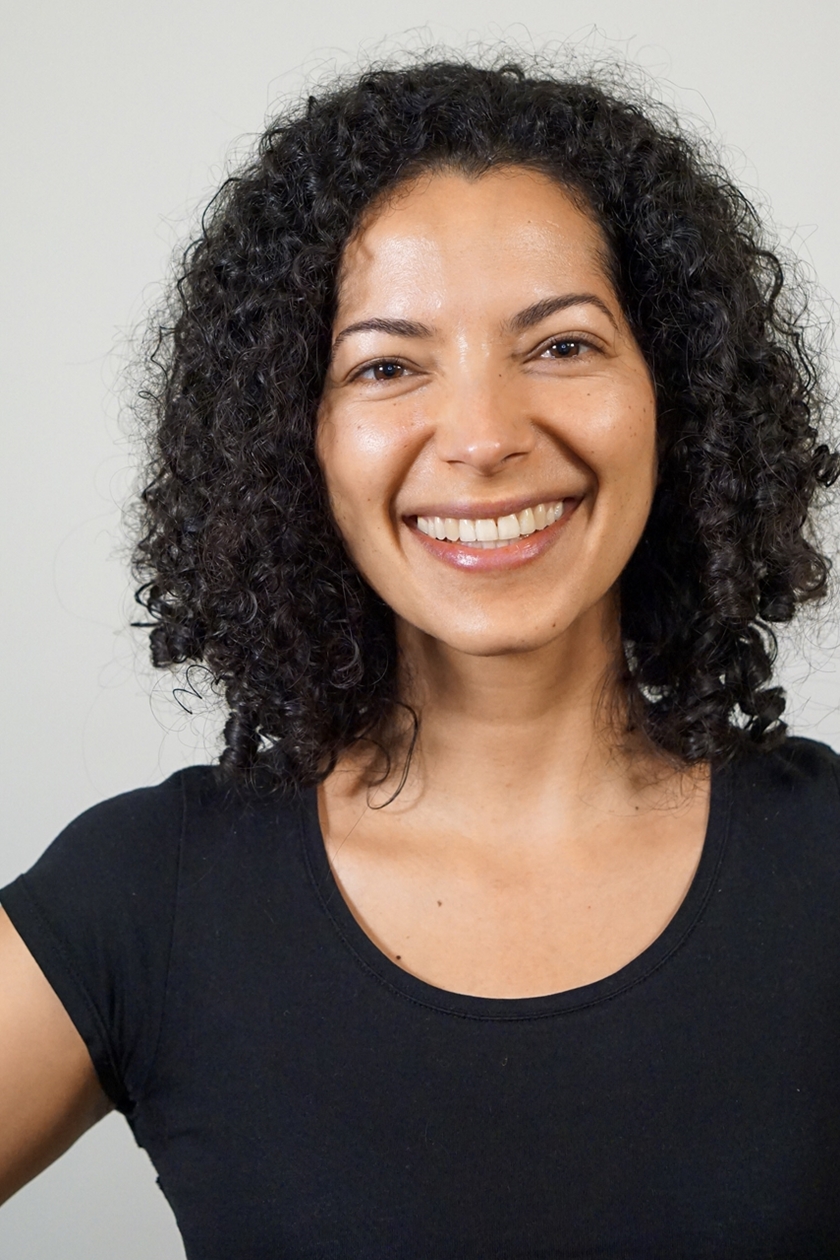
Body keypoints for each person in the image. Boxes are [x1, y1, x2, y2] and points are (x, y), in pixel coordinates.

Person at [1, 55, 839, 1258]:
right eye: (387, 366)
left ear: (679, 397)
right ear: (294, 438)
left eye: (562, 346)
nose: (485, 437)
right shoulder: (149, 898)